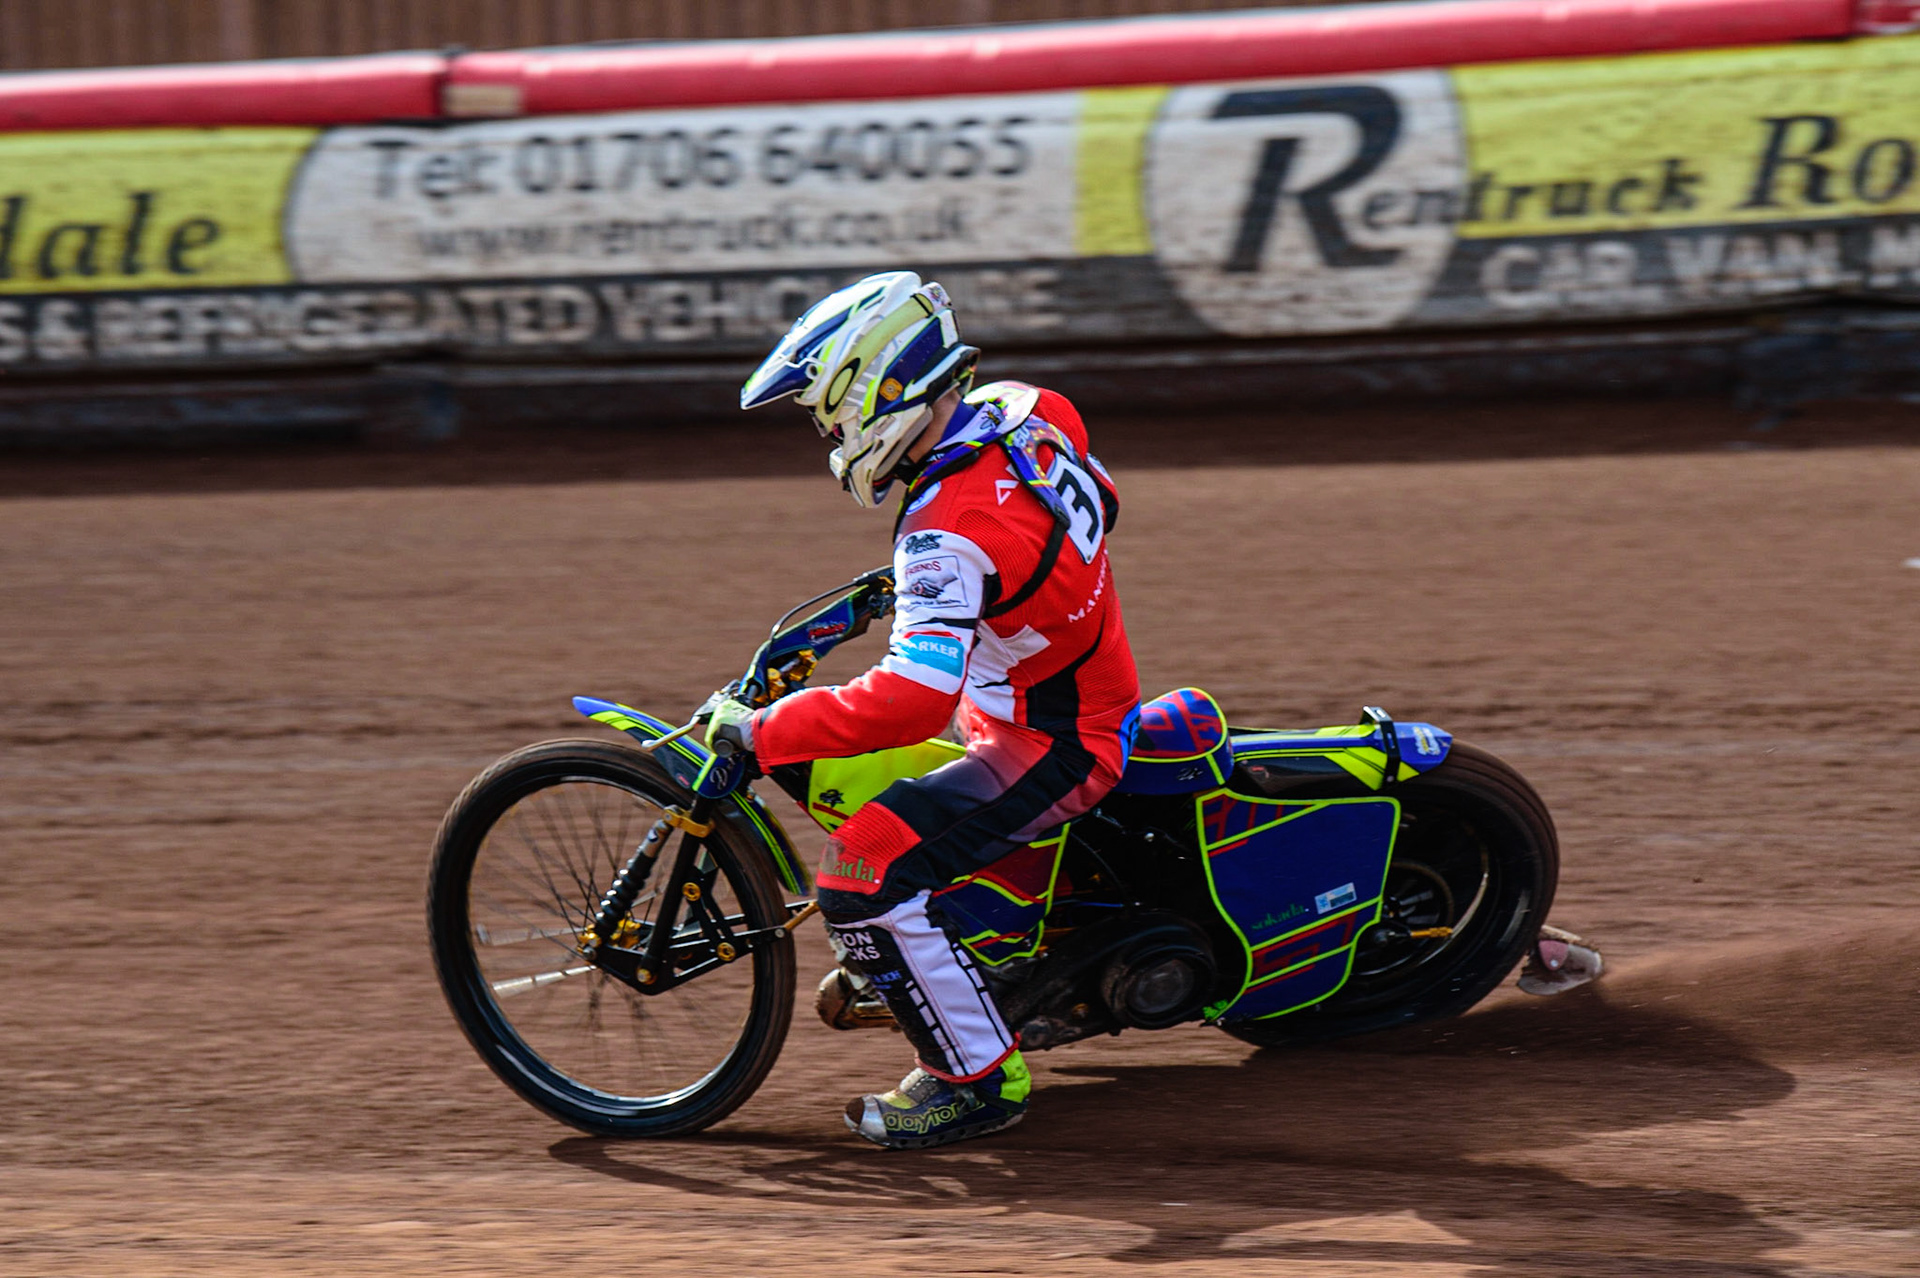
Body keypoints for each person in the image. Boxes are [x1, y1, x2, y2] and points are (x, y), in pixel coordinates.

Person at [705, 270, 1140, 1150]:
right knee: (848, 786)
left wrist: (761, 731)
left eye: (829, 415)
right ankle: (970, 941)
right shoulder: (1031, 408)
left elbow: (909, 701)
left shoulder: (944, 532)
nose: (828, 436)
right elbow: (1087, 512)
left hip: (1052, 742)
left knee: (858, 873)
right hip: (1056, 689)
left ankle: (975, 1081)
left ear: (876, 390)